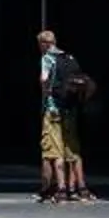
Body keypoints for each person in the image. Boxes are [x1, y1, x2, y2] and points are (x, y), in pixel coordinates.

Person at [37, 27, 90, 204]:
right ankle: (79, 189)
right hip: (70, 110)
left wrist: (46, 93)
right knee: (73, 150)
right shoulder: (69, 57)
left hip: (53, 110)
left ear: (44, 44)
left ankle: (61, 190)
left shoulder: (47, 58)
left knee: (55, 150)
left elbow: (44, 80)